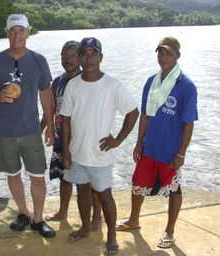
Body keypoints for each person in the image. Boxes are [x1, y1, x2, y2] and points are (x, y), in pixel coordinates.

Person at [115, 36, 198, 249]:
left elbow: (188, 123)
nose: (162, 57)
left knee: (174, 189)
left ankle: (170, 230)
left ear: (178, 55)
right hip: (149, 146)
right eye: (160, 52)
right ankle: (134, 220)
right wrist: (138, 143)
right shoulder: (151, 81)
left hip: (170, 150)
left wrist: (181, 154)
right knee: (138, 183)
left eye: (168, 53)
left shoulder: (186, 86)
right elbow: (144, 115)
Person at [60, 37, 139, 254]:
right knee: (82, 192)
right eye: (84, 53)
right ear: (80, 58)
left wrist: (118, 140)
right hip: (77, 152)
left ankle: (111, 235)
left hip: (101, 155)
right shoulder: (73, 85)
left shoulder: (112, 85)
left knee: (104, 196)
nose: (89, 58)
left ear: (101, 57)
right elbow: (65, 119)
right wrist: (66, 150)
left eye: (93, 53)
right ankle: (85, 228)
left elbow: (133, 113)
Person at [0, 14, 56, 238]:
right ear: (7, 33)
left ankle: (39, 218)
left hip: (31, 130)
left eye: (21, 30)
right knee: (13, 174)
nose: (17, 34)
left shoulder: (38, 61)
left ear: (28, 32)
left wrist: (50, 126)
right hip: (3, 131)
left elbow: (46, 95)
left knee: (37, 176)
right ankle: (23, 213)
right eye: (13, 30)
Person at [41, 40, 103, 230]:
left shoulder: (85, 81)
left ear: (80, 59)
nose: (68, 60)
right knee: (65, 177)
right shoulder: (58, 81)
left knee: (91, 182)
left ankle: (97, 218)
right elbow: (49, 108)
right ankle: (63, 211)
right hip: (62, 138)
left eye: (72, 56)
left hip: (82, 140)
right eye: (64, 56)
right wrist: (42, 127)